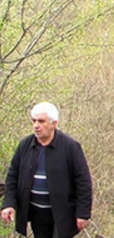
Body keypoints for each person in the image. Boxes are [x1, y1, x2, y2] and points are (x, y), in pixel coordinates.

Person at [1, 102, 93, 238]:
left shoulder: (71, 147)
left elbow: (83, 182)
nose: (36, 125)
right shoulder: (25, 145)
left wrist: (83, 213)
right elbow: (13, 177)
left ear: (53, 123)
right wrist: (8, 204)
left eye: (41, 121)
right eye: (34, 121)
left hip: (62, 214)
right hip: (36, 213)